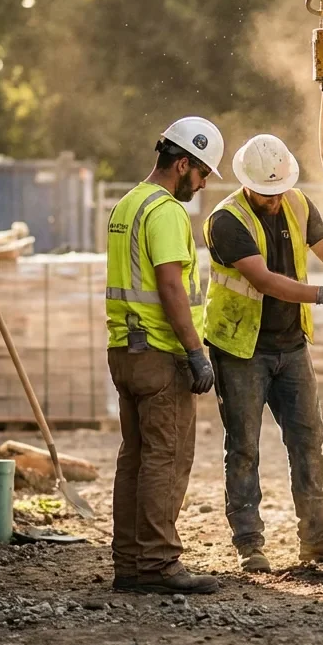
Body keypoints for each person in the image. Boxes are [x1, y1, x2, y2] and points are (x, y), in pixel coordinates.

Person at [203, 135, 323, 573]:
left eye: (278, 191)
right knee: (244, 447)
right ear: (247, 184)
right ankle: (249, 542)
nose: (274, 201)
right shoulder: (226, 221)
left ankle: (316, 537)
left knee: (308, 440)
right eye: (265, 193)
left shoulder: (296, 202)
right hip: (241, 346)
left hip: (290, 345)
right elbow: (265, 281)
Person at [105, 116, 225, 596]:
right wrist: (195, 353)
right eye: (202, 175)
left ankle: (130, 563)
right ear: (183, 163)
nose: (202, 185)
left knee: (133, 458)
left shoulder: (127, 204)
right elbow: (171, 285)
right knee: (167, 459)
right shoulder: (168, 212)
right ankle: (158, 564)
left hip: (124, 351)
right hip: (161, 355)